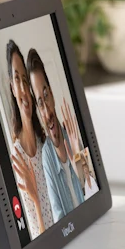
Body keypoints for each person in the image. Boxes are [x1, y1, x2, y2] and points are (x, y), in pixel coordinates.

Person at [26, 48, 93, 220]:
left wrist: (79, 156)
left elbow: (94, 194)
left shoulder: (72, 136)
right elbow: (59, 217)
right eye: (40, 103)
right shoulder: (47, 156)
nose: (47, 111)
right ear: (38, 111)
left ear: (53, 95)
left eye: (46, 95)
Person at [5, 40, 54, 237]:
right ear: (12, 88)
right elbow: (38, 236)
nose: (24, 89)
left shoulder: (44, 140)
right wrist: (34, 196)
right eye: (18, 80)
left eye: (26, 80)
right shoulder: (18, 157)